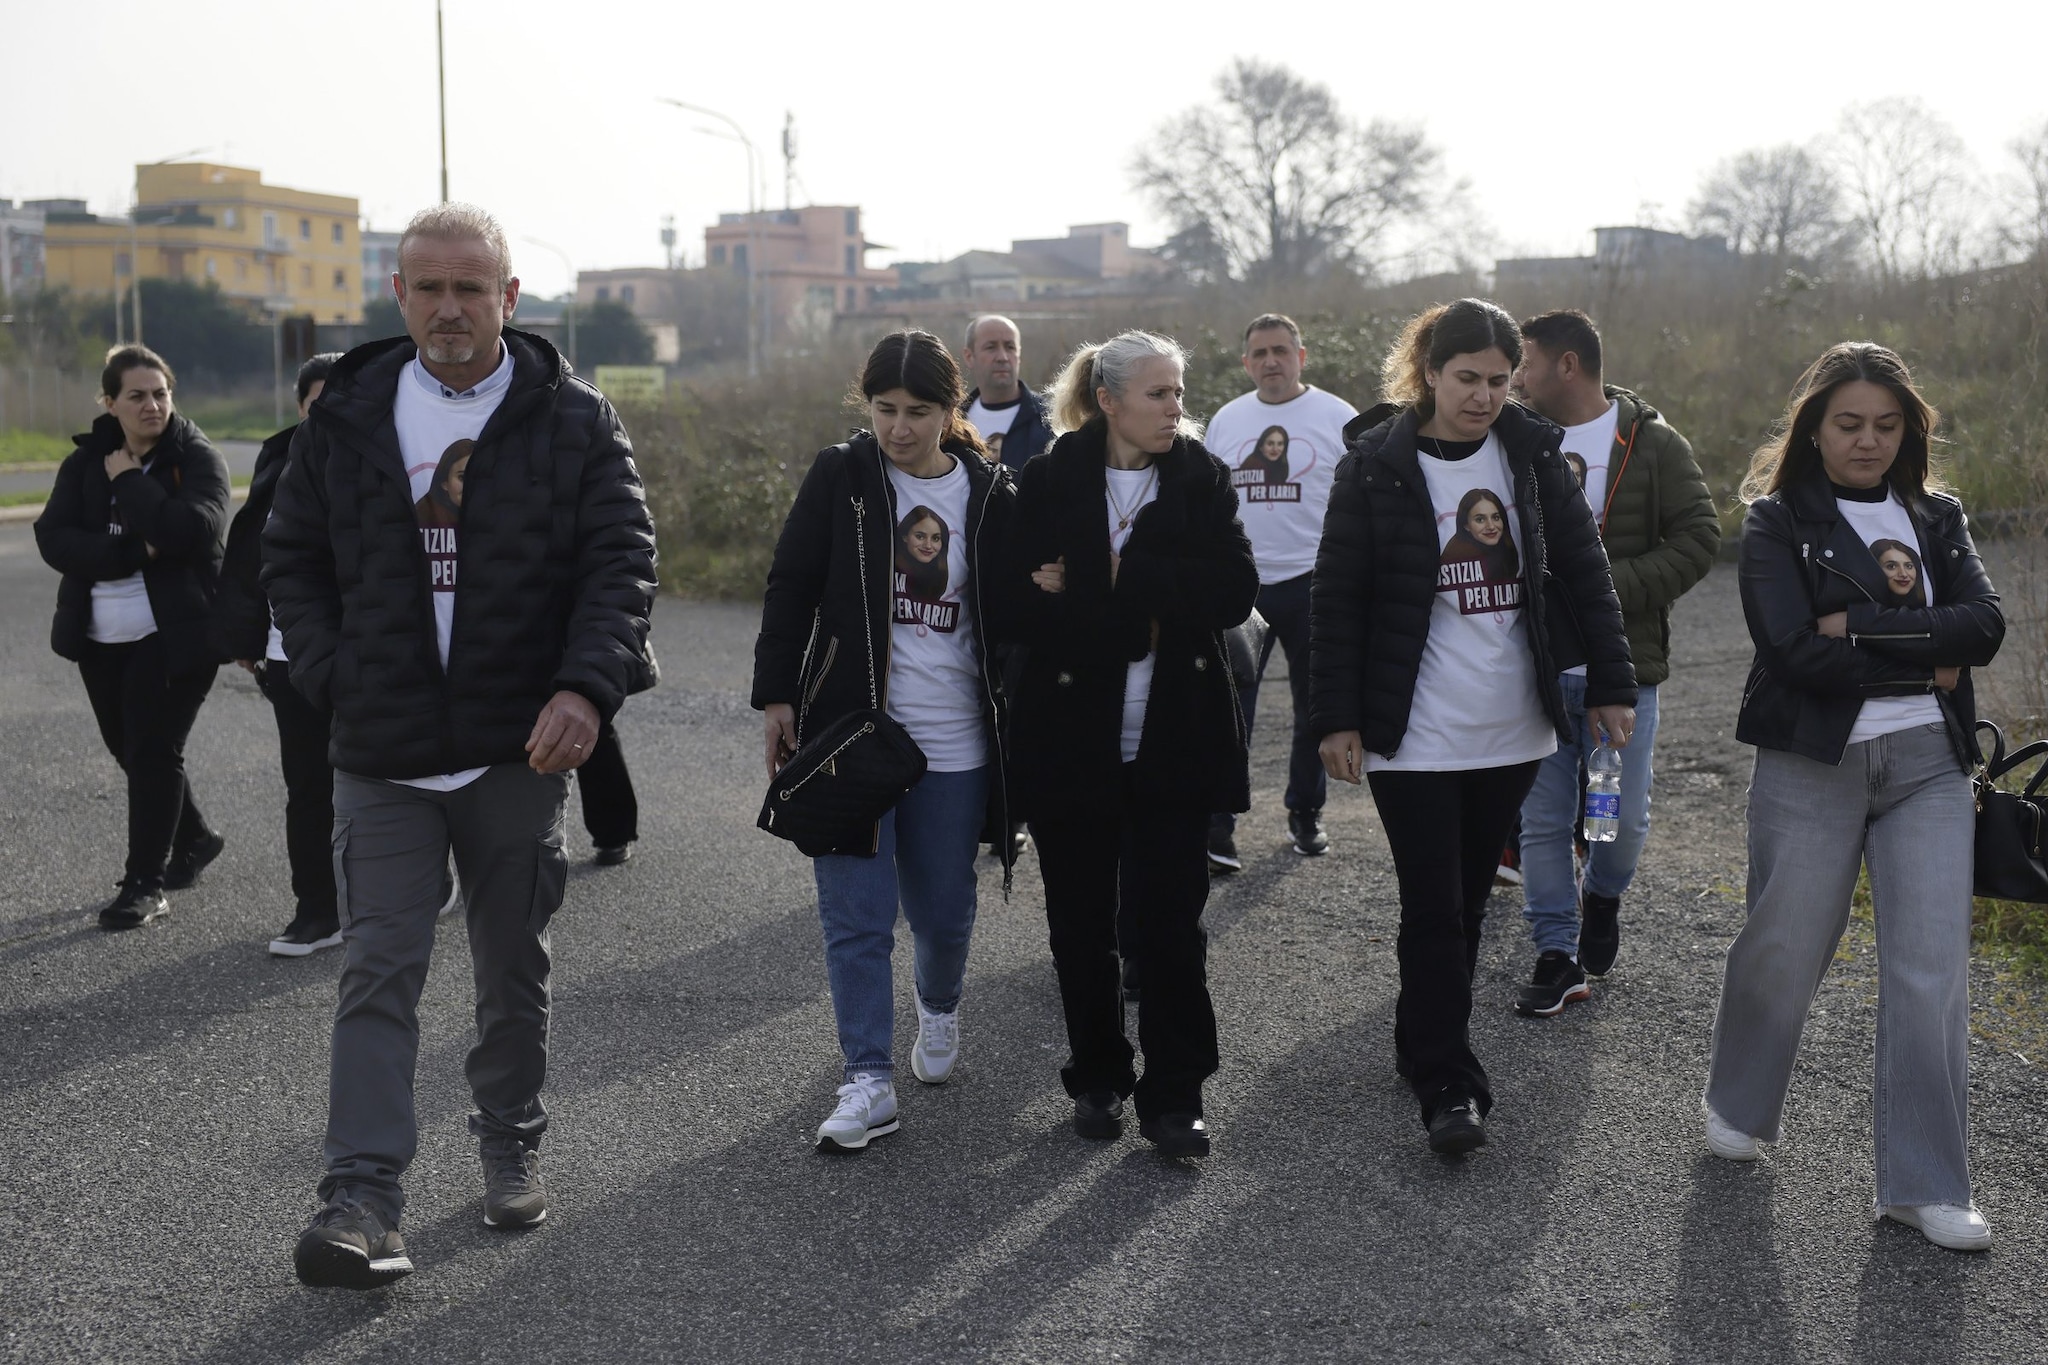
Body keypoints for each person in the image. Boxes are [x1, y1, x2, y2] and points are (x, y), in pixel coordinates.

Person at [264, 203, 657, 1288]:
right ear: (397, 295)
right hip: (380, 748)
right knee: (378, 970)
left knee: (509, 966)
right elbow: (287, 556)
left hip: (512, 749)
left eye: (469, 288)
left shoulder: (571, 418)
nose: (448, 308)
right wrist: (332, 670)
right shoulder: (346, 413)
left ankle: (508, 1137)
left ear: (508, 298)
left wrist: (585, 688)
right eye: (427, 287)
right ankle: (359, 1200)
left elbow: (620, 566)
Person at [1309, 299, 1635, 1155]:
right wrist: (1334, 717)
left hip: (1512, 726)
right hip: (1412, 731)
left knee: (1464, 900)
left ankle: (1423, 1032)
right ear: (1427, 372)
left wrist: (1611, 682)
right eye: (1467, 379)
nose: (1486, 395)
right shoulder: (1376, 463)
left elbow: (1586, 573)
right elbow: (1336, 597)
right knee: (1433, 904)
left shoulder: (1529, 454)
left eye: (1500, 379)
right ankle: (1451, 1082)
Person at [1703, 341, 2003, 1252]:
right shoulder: (1775, 521)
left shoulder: (1937, 516)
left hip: (1928, 768)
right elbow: (1794, 651)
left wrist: (1863, 624)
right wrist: (1925, 650)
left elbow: (1983, 627)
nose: (1868, 440)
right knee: (1784, 946)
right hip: (1810, 763)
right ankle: (1738, 1103)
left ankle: (1923, 1184)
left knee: (1929, 973)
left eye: (1886, 424)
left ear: (1908, 429)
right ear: (1816, 428)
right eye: (1849, 424)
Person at [754, 329, 1017, 1154]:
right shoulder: (844, 476)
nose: (899, 429)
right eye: (884, 410)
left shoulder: (992, 491)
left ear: (952, 408)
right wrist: (777, 696)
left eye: (919, 412)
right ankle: (866, 1077)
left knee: (942, 909)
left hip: (955, 742)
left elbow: (1015, 611)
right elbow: (792, 582)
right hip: (850, 733)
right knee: (854, 916)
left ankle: (937, 1004)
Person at [1007, 330, 1258, 1158]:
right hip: (1069, 739)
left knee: (1169, 927)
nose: (1175, 408)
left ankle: (1176, 1093)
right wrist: (1118, 605)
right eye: (1158, 394)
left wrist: (1113, 579)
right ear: (1108, 400)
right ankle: (1098, 1074)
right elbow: (1014, 599)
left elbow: (1233, 591)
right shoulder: (1048, 478)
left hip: (1175, 740)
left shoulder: (1200, 476)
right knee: (1080, 925)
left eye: (1179, 392)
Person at [1507, 309, 1721, 1015]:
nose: (1514, 378)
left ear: (1567, 365)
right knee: (1541, 821)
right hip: (1533, 670)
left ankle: (1601, 895)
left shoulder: (1652, 442)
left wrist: (1604, 589)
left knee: (1616, 824)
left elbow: (1698, 538)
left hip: (1622, 673)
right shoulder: (1506, 437)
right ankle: (1554, 950)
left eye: (1525, 363)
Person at [35, 345, 232, 929]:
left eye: (161, 393)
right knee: (131, 749)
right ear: (111, 403)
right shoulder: (86, 462)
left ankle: (145, 884)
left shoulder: (197, 458)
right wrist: (131, 551)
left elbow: (190, 529)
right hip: (99, 635)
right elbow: (53, 537)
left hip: (176, 636)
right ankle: (194, 837)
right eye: (137, 396)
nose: (152, 405)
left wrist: (131, 483)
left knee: (152, 751)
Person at [1200, 315, 1359, 868]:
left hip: (1315, 583)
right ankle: (1218, 828)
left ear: (1301, 356)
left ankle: (1305, 814)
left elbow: (1362, 503)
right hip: (1241, 587)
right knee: (1226, 710)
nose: (1271, 361)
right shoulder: (1226, 420)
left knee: (1314, 711)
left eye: (1281, 351)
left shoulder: (1337, 417)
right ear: (1246, 363)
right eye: (1260, 353)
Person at [210, 352, 345, 955]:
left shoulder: (389, 460)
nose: (329, 414)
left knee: (390, 783)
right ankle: (316, 910)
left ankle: (418, 884)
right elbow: (245, 554)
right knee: (309, 786)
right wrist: (244, 641)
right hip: (288, 655)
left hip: (375, 656)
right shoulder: (278, 460)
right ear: (300, 407)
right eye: (318, 402)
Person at [960, 314, 1055, 472]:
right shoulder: (953, 424)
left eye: (1010, 347)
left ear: (1019, 355)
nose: (1003, 357)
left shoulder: (1050, 420)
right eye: (991, 347)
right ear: (969, 357)